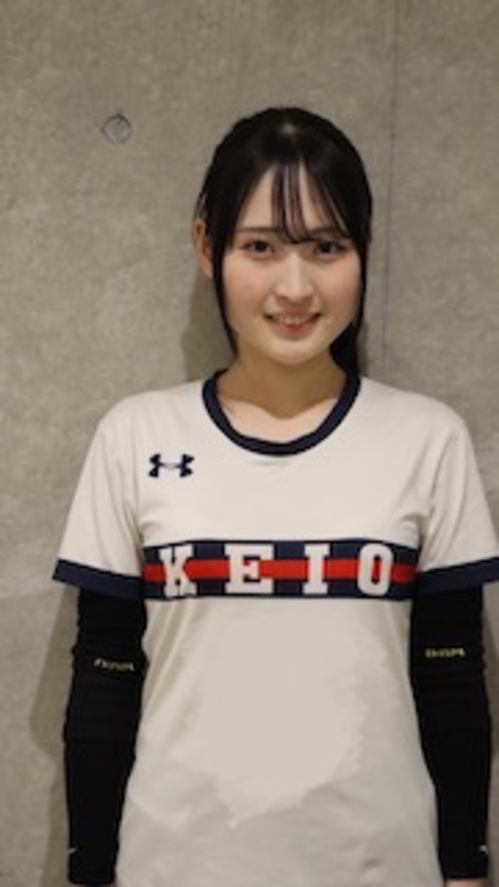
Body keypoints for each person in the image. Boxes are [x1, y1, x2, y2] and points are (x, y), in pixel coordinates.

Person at [53, 107, 499, 887]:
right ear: (207, 247)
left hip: (380, 866)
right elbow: (103, 678)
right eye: (260, 247)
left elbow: (452, 680)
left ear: (363, 249)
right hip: (175, 866)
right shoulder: (135, 435)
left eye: (325, 247)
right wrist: (90, 871)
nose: (294, 287)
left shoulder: (426, 438)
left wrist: (464, 870)